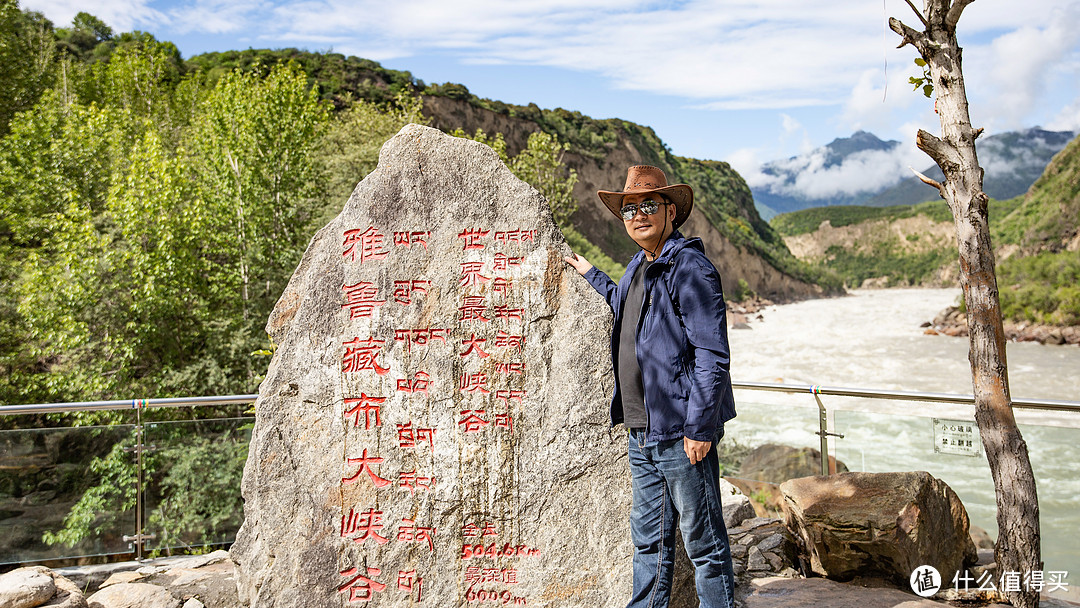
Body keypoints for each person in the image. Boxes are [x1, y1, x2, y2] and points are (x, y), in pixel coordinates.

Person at [564, 165, 737, 608]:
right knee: (649, 545)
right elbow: (622, 303)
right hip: (641, 432)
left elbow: (712, 353)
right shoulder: (639, 266)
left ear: (671, 210)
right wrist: (589, 272)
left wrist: (699, 428)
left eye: (648, 205)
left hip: (681, 432)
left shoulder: (690, 267)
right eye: (629, 209)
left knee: (705, 548)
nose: (638, 215)